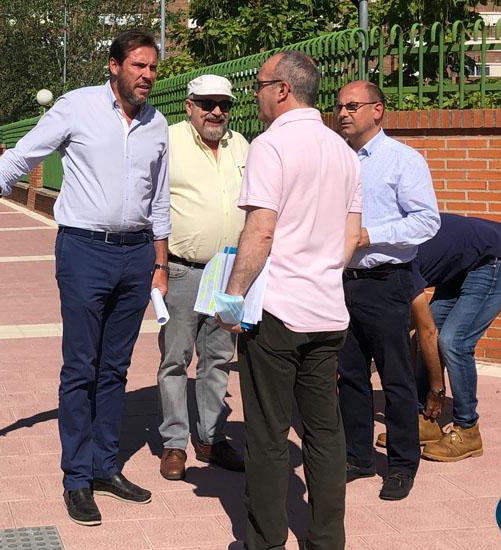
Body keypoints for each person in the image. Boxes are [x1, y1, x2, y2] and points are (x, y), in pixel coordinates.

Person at [0, 29, 169, 527]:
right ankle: (77, 477)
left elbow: (158, 200)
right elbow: (20, 158)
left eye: (152, 68)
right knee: (81, 366)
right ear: (113, 66)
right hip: (83, 252)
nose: (147, 76)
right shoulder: (75, 108)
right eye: (138, 66)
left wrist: (160, 264)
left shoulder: (157, 124)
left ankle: (104, 466)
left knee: (116, 369)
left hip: (136, 255)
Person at [216, 51, 363, 550]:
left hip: (277, 313)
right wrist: (322, 272)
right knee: (325, 432)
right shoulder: (342, 149)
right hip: (327, 310)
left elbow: (260, 230)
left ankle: (265, 541)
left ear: (281, 89)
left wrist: (231, 299)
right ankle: (326, 540)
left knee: (268, 435)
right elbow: (350, 235)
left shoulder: (270, 145)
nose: (253, 94)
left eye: (258, 84)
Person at [334, 80, 440, 501]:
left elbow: (426, 222)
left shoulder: (402, 160)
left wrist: (370, 235)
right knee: (350, 375)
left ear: (377, 110)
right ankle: (358, 457)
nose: (342, 112)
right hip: (343, 282)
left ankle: (401, 464)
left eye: (352, 106)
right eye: (339, 105)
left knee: (395, 379)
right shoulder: (338, 159)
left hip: (386, 282)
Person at [377, 213, 501, 461]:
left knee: (454, 342)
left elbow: (426, 331)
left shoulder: (397, 256)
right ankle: (425, 420)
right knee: (432, 338)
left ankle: (468, 429)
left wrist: (436, 389)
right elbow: (415, 330)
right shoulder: (379, 255)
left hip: (498, 259)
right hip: (461, 266)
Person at [157, 73, 248, 481]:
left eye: (224, 105)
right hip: (182, 269)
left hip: (229, 272)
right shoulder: (168, 141)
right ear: (189, 105)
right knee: (175, 360)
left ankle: (211, 437)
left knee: (217, 361)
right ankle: (174, 442)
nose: (216, 112)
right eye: (208, 103)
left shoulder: (240, 144)